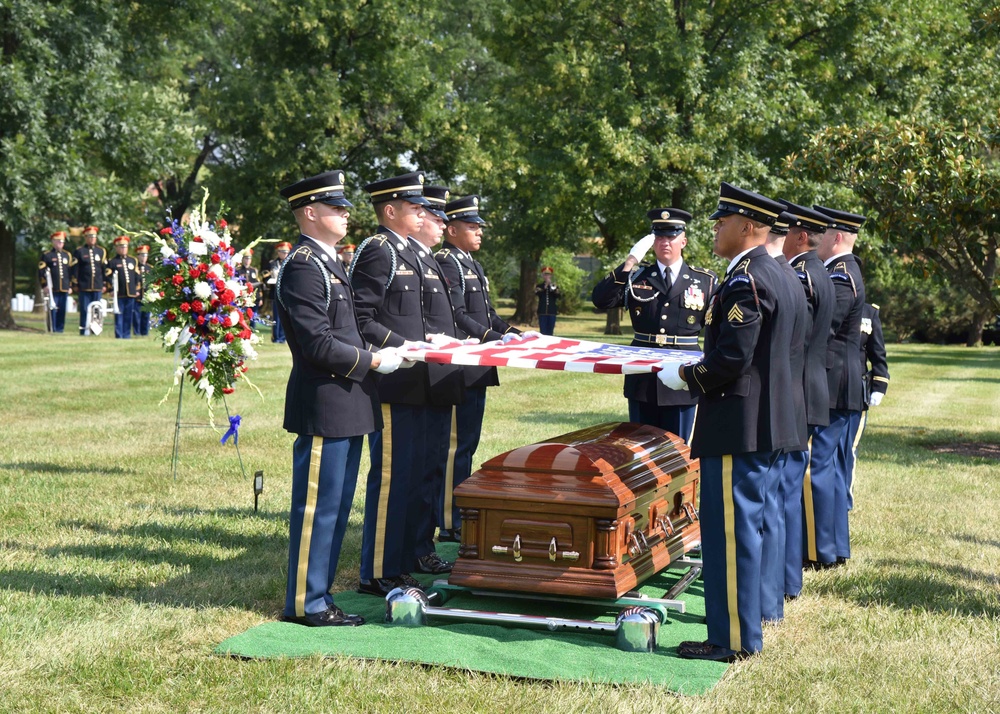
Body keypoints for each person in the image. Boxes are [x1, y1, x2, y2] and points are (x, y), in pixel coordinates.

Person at [661, 183, 797, 662]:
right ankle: (753, 615)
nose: (714, 228)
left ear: (746, 227)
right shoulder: (779, 274)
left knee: (729, 535)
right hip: (768, 420)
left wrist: (684, 376)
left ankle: (731, 640)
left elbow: (733, 357)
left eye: (722, 222)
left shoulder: (748, 279)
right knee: (753, 526)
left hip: (738, 423)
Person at [275, 168, 402, 627]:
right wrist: (370, 361)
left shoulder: (327, 261)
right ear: (310, 212)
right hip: (326, 402)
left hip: (347, 402)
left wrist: (376, 354)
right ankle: (305, 604)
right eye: (335, 207)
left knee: (335, 505)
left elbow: (341, 332)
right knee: (318, 508)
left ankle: (320, 597)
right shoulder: (305, 266)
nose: (345, 215)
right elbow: (316, 342)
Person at [349, 171, 437, 596]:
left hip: (415, 380)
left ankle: (398, 563)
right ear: (391, 210)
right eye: (413, 206)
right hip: (391, 382)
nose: (421, 212)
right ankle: (376, 571)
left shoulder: (410, 252)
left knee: (410, 474)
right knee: (390, 477)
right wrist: (404, 345)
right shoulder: (378, 251)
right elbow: (361, 318)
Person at [434, 194, 526, 542]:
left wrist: (512, 333)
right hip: (463, 363)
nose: (479, 232)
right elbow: (458, 315)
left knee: (468, 443)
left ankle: (457, 513)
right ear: (452, 229)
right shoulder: (447, 260)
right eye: (472, 227)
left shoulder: (470, 262)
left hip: (478, 364)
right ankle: (448, 520)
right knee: (456, 445)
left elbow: (485, 312)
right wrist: (491, 337)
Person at [591, 208, 716, 443]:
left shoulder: (704, 280)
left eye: (671, 236)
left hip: (682, 374)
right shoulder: (637, 277)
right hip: (643, 376)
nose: (665, 242)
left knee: (677, 451)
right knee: (639, 452)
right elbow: (601, 299)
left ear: (684, 241)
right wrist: (630, 261)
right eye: (659, 237)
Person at [408, 183, 467, 575]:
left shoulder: (427, 259)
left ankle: (421, 547)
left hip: (438, 376)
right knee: (413, 473)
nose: (439, 222)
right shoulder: (396, 254)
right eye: (434, 215)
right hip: (413, 379)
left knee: (429, 469)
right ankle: (410, 549)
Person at [779, 200, 836, 598]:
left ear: (800, 236)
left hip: (798, 390)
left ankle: (786, 579)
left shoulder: (801, 276)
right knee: (789, 490)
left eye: (784, 233)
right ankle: (788, 578)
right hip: (812, 388)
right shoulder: (818, 272)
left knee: (785, 493)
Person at [806, 204, 867, 568]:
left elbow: (824, 329)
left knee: (819, 468)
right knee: (832, 468)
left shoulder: (840, 275)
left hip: (832, 383)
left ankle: (820, 551)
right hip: (841, 382)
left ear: (837, 237)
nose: (817, 239)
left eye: (822, 233)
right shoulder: (844, 271)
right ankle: (834, 549)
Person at [759, 211, 809, 624]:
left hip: (763, 410)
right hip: (788, 405)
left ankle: (761, 604)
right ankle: (772, 600)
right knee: (774, 507)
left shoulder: (765, 276)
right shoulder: (791, 275)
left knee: (761, 513)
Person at [846, 303, 889, 508]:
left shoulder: (869, 312)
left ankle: (846, 497)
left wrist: (879, 385)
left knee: (849, 449)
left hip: (856, 390)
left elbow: (878, 354)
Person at [71, 225, 107, 335]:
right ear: (85, 237)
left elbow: (104, 269)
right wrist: (75, 283)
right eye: (90, 236)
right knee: (85, 310)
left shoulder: (101, 251)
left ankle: (95, 331)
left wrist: (105, 283)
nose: (92, 239)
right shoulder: (80, 251)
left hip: (97, 285)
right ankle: (84, 330)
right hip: (84, 285)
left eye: (94, 236)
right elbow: (75, 269)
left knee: (97, 310)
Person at [105, 235, 141, 339]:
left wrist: (137, 289)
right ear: (117, 248)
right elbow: (108, 277)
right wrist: (111, 289)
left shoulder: (133, 260)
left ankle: (127, 335)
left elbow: (137, 276)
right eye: (121, 247)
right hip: (119, 293)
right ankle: (119, 334)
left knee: (128, 315)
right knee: (119, 314)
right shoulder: (113, 262)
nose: (123, 248)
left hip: (131, 292)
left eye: (125, 246)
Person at [38, 230, 73, 333]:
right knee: (52, 309)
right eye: (58, 241)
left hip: (64, 287)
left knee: (62, 310)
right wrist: (44, 285)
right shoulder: (47, 255)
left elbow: (70, 272)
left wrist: (70, 286)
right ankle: (52, 328)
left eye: (62, 241)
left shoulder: (67, 255)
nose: (60, 243)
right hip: (53, 287)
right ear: (53, 242)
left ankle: (60, 329)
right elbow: (41, 271)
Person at [262, 242, 292, 343]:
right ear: (278, 252)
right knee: (276, 316)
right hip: (275, 292)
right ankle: (276, 337)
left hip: (287, 293)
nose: (285, 254)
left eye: (286, 252)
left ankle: (283, 337)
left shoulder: (291, 263)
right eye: (282, 252)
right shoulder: (272, 264)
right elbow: (264, 277)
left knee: (286, 317)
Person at [235, 248, 263, 328]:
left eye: (249, 258)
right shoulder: (238, 270)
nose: (248, 260)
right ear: (243, 259)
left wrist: (260, 298)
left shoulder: (254, 270)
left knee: (253, 317)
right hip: (243, 297)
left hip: (254, 298)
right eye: (246, 258)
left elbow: (259, 285)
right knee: (243, 317)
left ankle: (252, 332)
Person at [133, 245, 151, 336]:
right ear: (138, 256)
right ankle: (137, 333)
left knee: (146, 316)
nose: (144, 257)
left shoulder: (150, 268)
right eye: (142, 255)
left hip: (147, 297)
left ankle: (145, 332)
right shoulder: (134, 267)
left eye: (146, 255)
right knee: (136, 316)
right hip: (138, 296)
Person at [535, 267, 560, 335]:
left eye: (548, 275)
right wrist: (545, 286)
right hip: (542, 311)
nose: (547, 276)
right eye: (545, 275)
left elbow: (558, 295)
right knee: (543, 331)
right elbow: (537, 293)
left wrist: (552, 288)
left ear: (551, 276)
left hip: (552, 312)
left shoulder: (554, 286)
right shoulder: (539, 286)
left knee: (550, 331)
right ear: (543, 276)